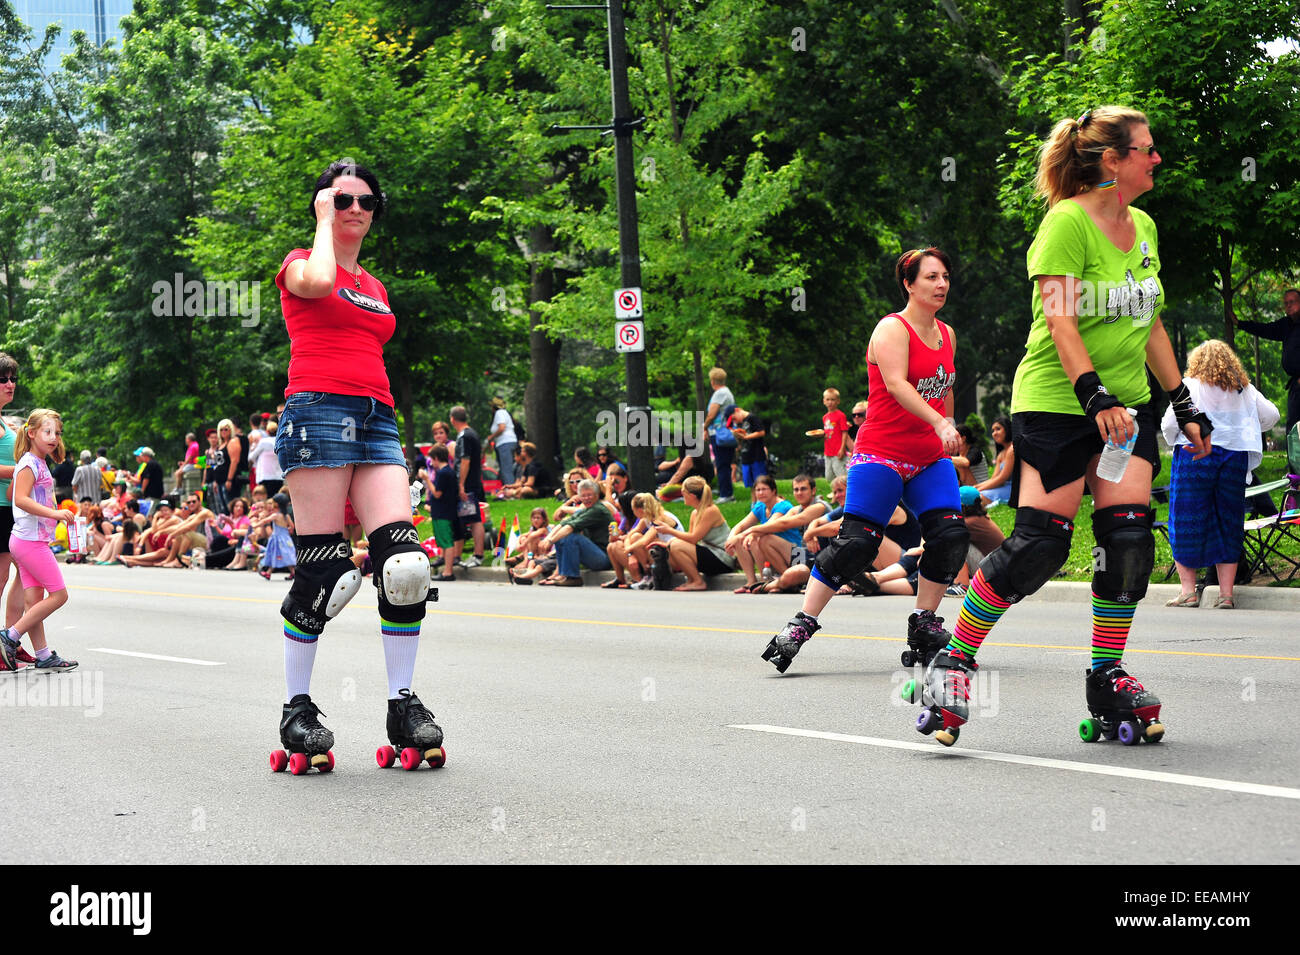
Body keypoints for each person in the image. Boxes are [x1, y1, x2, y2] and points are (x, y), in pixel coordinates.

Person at [913, 107, 1213, 748]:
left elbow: (1151, 324)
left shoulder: (1146, 228)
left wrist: (1182, 403)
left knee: (1129, 542)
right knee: (1042, 545)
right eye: (1147, 150)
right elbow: (1060, 322)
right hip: (1056, 402)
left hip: (1125, 409)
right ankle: (954, 661)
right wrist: (1092, 392)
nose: (1156, 159)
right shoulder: (1066, 224)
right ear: (1113, 160)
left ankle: (1107, 678)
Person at [267, 159, 444, 775]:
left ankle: (402, 705)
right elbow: (318, 281)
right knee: (328, 576)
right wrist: (322, 221)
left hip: (377, 419)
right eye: (343, 199)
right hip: (316, 414)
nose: (357, 210)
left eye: (368, 201)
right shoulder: (299, 264)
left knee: (405, 565)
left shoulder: (375, 286)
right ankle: (297, 708)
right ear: (323, 203)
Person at [762, 247, 969, 675]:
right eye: (931, 277)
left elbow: (945, 386)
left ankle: (924, 624)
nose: (941, 284)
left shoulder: (947, 334)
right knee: (858, 543)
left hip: (928, 457)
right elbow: (897, 385)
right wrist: (939, 422)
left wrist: (947, 420)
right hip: (882, 452)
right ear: (909, 284)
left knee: (949, 535)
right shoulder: (891, 330)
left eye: (945, 276)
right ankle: (800, 624)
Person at [1161, 340, 1279, 608]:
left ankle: (1189, 591)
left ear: (1197, 361)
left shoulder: (1189, 386)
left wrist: (1175, 439)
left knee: (1185, 519)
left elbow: (1169, 423)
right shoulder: (1243, 388)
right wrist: (1243, 426)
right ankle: (1226, 594)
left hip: (1195, 452)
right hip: (1233, 457)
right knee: (1228, 519)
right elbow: (1272, 415)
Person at [0, 409, 77, 672]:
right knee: (59, 595)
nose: (54, 437)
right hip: (30, 542)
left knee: (35, 601)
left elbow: (12, 492)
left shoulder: (34, 462)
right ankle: (9, 636)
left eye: (57, 432)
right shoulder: (30, 463)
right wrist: (54, 513)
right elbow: (20, 498)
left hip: (28, 540)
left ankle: (43, 655)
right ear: (31, 433)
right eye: (47, 431)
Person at [0, 354, 35, 674]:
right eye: (3, 379)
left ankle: (9, 641)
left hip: (7, 509)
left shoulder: (2, 420)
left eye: (12, 379)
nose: (10, 384)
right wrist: (24, 469)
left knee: (21, 578)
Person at [1231, 288, 1300, 436]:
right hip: (1296, 384)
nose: (1288, 305)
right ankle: (1293, 460)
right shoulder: (1286, 325)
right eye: (1286, 303)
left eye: (1292, 302)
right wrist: (1240, 323)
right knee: (1293, 424)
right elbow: (1265, 329)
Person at [724, 474, 803, 592]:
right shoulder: (760, 506)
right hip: (774, 553)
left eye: (764, 489)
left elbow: (767, 527)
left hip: (796, 553)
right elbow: (740, 525)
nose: (760, 493)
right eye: (758, 490)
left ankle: (780, 581)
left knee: (759, 538)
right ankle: (753, 581)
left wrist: (743, 536)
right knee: (743, 539)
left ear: (773, 491)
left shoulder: (783, 506)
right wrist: (730, 540)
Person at [657, 475, 736, 591]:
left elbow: (693, 539)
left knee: (675, 545)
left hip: (723, 558)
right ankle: (691, 580)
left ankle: (698, 581)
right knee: (671, 546)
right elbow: (689, 539)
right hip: (710, 553)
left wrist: (669, 531)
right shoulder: (695, 512)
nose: (682, 495)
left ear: (692, 496)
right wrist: (666, 544)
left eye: (683, 492)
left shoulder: (710, 510)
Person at [539, 478, 615, 586]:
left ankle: (573, 577)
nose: (586, 498)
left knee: (571, 536)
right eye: (583, 496)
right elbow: (563, 524)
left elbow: (570, 527)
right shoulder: (585, 510)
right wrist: (547, 539)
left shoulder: (597, 510)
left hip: (604, 559)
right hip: (594, 554)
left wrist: (550, 541)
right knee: (561, 536)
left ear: (597, 495)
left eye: (589, 495)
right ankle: (562, 575)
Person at [449, 405, 486, 569]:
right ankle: (476, 554)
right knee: (472, 519)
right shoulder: (472, 434)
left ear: (452, 419)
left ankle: (478, 555)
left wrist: (461, 485)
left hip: (468, 485)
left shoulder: (463, 436)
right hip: (474, 482)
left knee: (474, 520)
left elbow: (465, 461)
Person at [705, 367, 737, 503]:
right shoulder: (727, 392)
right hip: (726, 432)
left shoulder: (719, 394)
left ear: (713, 381)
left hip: (719, 434)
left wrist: (704, 426)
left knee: (722, 463)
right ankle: (724, 488)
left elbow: (712, 414)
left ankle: (726, 494)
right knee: (724, 462)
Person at [806, 387, 850, 483]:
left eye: (833, 400)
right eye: (828, 399)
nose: (830, 402)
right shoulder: (825, 417)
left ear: (838, 401)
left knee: (841, 476)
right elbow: (828, 433)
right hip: (828, 451)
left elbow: (844, 432)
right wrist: (821, 435)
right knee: (829, 476)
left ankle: (845, 493)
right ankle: (835, 493)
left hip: (838, 451)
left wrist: (842, 448)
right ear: (824, 401)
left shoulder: (840, 415)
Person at [975, 416, 1014, 505]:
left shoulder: (1013, 449)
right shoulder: (1001, 454)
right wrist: (975, 487)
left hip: (1012, 489)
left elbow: (1002, 479)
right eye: (993, 430)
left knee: (977, 497)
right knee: (974, 495)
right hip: (1001, 487)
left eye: (998, 429)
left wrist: (978, 490)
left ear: (1007, 430)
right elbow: (994, 479)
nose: (994, 433)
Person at [731, 405, 768, 488]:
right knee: (751, 485)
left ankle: (761, 501)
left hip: (756, 455)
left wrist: (746, 437)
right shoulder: (740, 423)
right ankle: (753, 501)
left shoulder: (752, 418)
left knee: (760, 483)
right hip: (746, 456)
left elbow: (761, 432)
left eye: (734, 418)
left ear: (737, 410)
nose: (735, 422)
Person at [487, 397, 518, 486]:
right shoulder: (505, 413)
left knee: (506, 469)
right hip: (510, 441)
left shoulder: (499, 413)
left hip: (505, 443)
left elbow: (501, 427)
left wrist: (491, 437)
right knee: (509, 467)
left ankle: (510, 490)